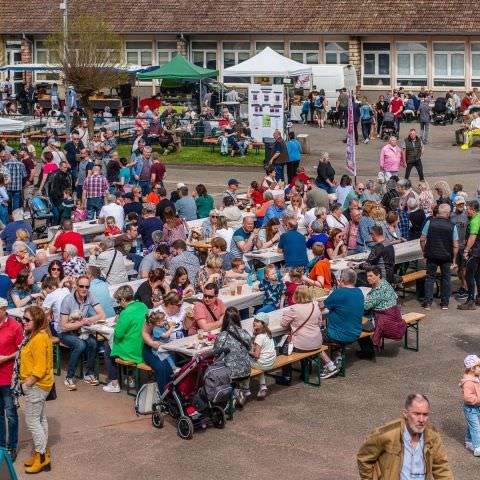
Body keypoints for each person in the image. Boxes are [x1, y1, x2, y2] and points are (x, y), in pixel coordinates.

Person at [357, 393, 454, 479]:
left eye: (425, 414)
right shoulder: (386, 434)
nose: (421, 419)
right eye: (416, 414)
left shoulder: (433, 436)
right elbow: (364, 458)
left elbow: (441, 467)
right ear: (405, 413)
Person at [14, 306, 54, 474]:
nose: (23, 321)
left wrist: (27, 383)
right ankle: (42, 454)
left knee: (32, 421)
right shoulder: (39, 335)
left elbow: (39, 367)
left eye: (27, 319)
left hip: (36, 385)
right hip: (41, 385)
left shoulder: (38, 339)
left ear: (36, 321)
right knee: (40, 419)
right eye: (22, 318)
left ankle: (42, 457)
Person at [59, 275, 106, 390]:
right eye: (81, 286)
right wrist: (81, 323)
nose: (84, 289)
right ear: (76, 287)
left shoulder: (90, 295)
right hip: (66, 333)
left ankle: (89, 374)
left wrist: (88, 320)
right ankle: (69, 377)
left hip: (80, 330)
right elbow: (64, 326)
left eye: (87, 286)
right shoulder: (67, 300)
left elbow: (102, 315)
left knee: (94, 343)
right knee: (80, 345)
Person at [278, 286, 326, 384]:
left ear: (296, 295)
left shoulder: (294, 309)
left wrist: (286, 315)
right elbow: (320, 323)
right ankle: (305, 372)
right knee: (301, 343)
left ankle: (286, 377)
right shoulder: (315, 305)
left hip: (302, 344)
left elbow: (283, 324)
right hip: (317, 342)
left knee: (283, 347)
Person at [321, 269, 365, 376]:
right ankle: (338, 355)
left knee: (313, 337)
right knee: (337, 326)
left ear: (341, 280)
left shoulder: (339, 293)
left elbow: (322, 306)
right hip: (355, 332)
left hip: (339, 334)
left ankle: (330, 365)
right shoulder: (359, 292)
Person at [420, 203, 459, 310]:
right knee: (446, 278)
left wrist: (424, 251)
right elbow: (455, 245)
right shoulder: (452, 226)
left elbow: (422, 239)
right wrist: (454, 259)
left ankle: (427, 302)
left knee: (430, 277)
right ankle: (445, 302)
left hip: (432, 254)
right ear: (448, 213)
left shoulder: (430, 222)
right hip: (446, 256)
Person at [361, 266, 406, 357]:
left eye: (371, 276)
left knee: (358, 323)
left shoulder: (378, 291)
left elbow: (365, 306)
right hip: (395, 314)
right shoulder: (385, 283)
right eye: (367, 276)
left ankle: (368, 351)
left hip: (386, 318)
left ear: (378, 276)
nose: (368, 278)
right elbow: (396, 297)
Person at [213, 307, 251, 406]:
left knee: (215, 365)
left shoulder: (222, 336)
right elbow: (249, 348)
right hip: (246, 370)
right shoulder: (245, 333)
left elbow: (215, 353)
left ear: (225, 319)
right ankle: (242, 390)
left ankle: (233, 393)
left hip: (230, 373)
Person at [0, 297, 23, 461]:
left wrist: (6, 357)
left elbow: (21, 350)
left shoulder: (14, 326)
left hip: (8, 377)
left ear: (3, 310)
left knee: (11, 414)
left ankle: (11, 447)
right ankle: (1, 447)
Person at [458, 199, 480, 310]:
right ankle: (479, 298)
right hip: (478, 252)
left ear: (473, 209)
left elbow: (473, 236)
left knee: (469, 275)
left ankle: (470, 301)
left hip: (475, 252)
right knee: (477, 275)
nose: (466, 210)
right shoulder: (479, 216)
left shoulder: (475, 220)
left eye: (468, 208)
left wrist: (466, 250)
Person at [249, 312, 276, 399]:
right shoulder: (268, 333)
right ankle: (263, 386)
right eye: (254, 320)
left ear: (263, 324)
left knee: (245, 362)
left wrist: (248, 352)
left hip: (263, 364)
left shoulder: (259, 337)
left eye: (257, 321)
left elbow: (256, 355)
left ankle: (244, 389)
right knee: (259, 363)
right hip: (271, 362)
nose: (254, 322)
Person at [460, 354, 480, 456]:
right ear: (472, 368)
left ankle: (468, 440)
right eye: (479, 366)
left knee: (472, 425)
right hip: (471, 409)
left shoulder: (476, 377)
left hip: (477, 407)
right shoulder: (468, 382)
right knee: (476, 427)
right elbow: (467, 398)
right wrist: (478, 399)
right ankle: (477, 447)